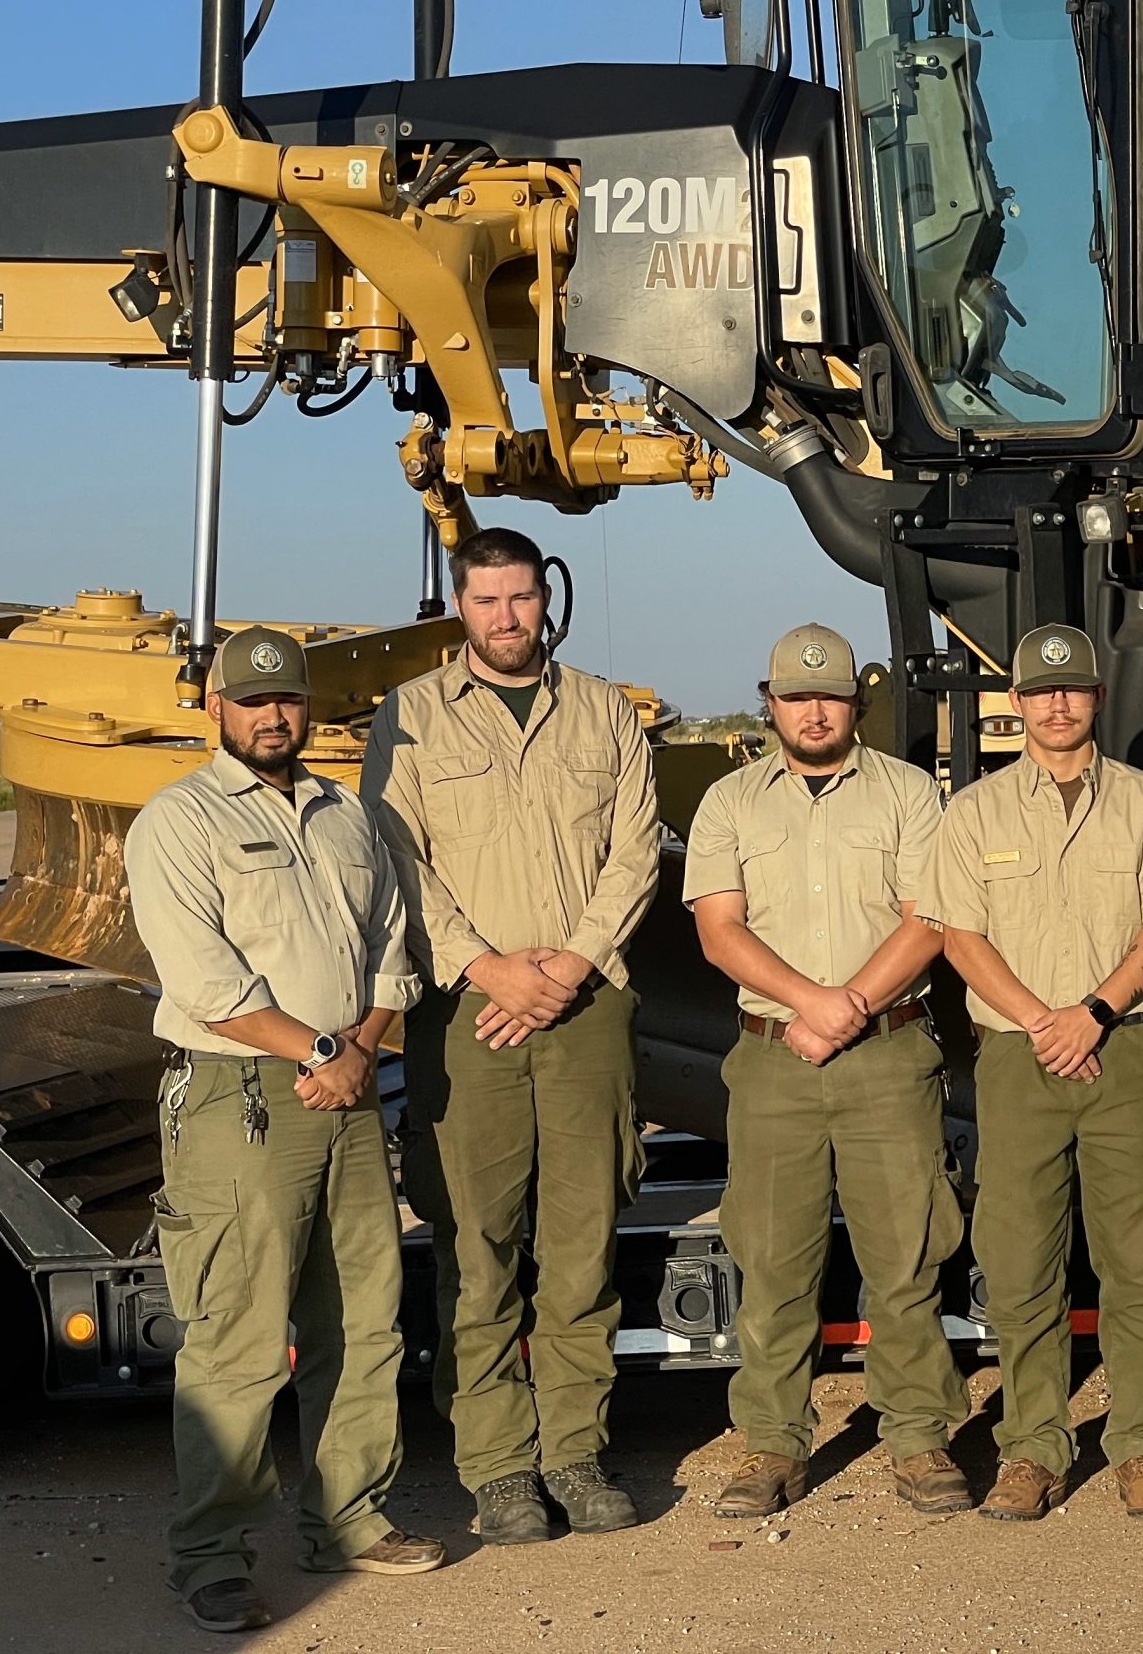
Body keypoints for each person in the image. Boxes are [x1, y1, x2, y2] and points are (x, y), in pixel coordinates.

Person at [128, 626, 444, 1634]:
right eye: (253, 700)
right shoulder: (178, 822)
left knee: (362, 1320)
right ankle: (211, 1552)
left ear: (310, 709)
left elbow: (394, 945)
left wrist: (360, 1045)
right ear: (216, 707)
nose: (274, 716)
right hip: (245, 1098)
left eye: (290, 700)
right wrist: (319, 1053)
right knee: (238, 1339)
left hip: (346, 1092)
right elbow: (205, 982)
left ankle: (348, 1520)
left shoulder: (347, 814)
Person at [360, 527, 661, 1544]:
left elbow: (635, 852)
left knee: (580, 1250)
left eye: (522, 598)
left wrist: (569, 965)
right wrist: (489, 968)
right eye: (487, 601)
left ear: (547, 600)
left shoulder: (604, 712)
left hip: (585, 1011)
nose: (506, 618)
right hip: (469, 1012)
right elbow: (397, 856)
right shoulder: (409, 718)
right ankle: (496, 1469)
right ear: (461, 607)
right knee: (477, 1249)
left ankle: (575, 1454)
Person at [683, 623, 971, 1519]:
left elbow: (933, 918)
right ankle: (772, 1444)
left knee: (908, 1257)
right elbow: (718, 929)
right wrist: (812, 1003)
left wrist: (846, 1008)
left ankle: (920, 1440)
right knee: (772, 1260)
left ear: (858, 704)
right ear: (769, 701)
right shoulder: (729, 802)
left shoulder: (911, 795)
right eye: (796, 695)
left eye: (832, 696)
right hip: (775, 1062)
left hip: (888, 1053)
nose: (814, 711)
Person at [921, 624, 1143, 1522]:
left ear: (1095, 698)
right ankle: (1033, 1449)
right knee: (1021, 1265)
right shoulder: (973, 813)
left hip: (1121, 1048)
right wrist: (1041, 1019)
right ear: (1016, 701)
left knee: (1142, 1262)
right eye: (1040, 690)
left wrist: (1092, 1013)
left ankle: (1140, 1446)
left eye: (1072, 689)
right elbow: (959, 937)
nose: (1056, 703)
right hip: (1018, 1056)